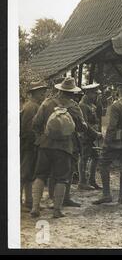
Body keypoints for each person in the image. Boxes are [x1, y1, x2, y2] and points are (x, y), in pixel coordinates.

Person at [30, 77, 87, 218]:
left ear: (59, 90)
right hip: (65, 147)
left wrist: (42, 136)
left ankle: (35, 208)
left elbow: (36, 123)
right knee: (62, 178)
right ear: (72, 92)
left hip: (45, 145)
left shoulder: (47, 102)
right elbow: (81, 127)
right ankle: (57, 210)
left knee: (40, 175)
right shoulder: (74, 106)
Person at [93, 83, 122, 205]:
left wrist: (106, 142)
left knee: (104, 164)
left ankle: (106, 194)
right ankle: (121, 196)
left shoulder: (115, 106)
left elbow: (112, 126)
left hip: (115, 141)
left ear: (118, 92)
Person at [20, 81, 48, 211]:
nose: (43, 93)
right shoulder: (31, 107)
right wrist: (35, 143)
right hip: (29, 145)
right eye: (39, 91)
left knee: (30, 173)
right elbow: (28, 129)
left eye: (43, 91)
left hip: (32, 144)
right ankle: (18, 202)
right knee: (24, 173)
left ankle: (29, 201)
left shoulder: (35, 105)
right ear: (32, 93)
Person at [78, 83, 103, 190]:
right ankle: (82, 182)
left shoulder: (91, 105)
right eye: (94, 94)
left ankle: (92, 181)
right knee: (84, 158)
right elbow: (85, 123)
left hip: (92, 137)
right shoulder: (82, 105)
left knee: (95, 157)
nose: (96, 96)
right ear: (88, 93)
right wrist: (95, 133)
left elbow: (96, 120)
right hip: (86, 136)